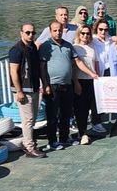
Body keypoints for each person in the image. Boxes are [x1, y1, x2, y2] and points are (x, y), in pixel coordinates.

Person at [39, 21, 97, 151]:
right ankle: (52, 141)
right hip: (53, 85)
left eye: (59, 30)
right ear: (50, 31)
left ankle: (64, 138)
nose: (58, 32)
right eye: (55, 30)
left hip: (67, 84)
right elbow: (42, 66)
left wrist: (92, 74)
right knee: (52, 115)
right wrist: (45, 84)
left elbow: (78, 62)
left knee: (66, 114)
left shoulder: (68, 46)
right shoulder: (46, 46)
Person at [9, 23, 46, 158]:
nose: (31, 35)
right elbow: (14, 71)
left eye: (33, 33)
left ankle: (28, 142)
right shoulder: (16, 50)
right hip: (24, 90)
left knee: (33, 118)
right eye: (27, 33)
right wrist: (19, 91)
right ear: (21, 33)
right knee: (28, 119)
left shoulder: (32, 48)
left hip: (34, 87)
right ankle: (29, 147)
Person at [72, 25, 99, 145]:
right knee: (80, 109)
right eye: (83, 33)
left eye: (88, 33)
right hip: (80, 80)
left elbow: (96, 64)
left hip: (92, 81)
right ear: (79, 34)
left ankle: (88, 129)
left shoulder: (92, 47)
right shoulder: (75, 47)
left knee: (90, 107)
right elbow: (73, 66)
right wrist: (76, 82)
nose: (85, 35)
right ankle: (82, 133)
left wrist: (98, 77)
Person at [89, 19, 112, 134]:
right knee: (95, 98)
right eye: (101, 29)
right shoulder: (92, 40)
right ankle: (96, 122)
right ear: (96, 29)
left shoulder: (110, 40)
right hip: (97, 72)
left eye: (106, 29)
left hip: (109, 71)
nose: (103, 32)